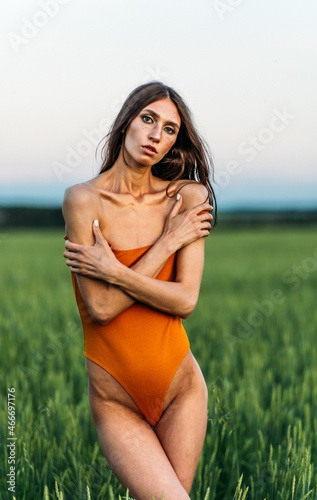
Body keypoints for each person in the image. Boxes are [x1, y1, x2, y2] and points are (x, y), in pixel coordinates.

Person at [62, 81, 217, 500]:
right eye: (148, 119)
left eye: (169, 129)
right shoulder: (82, 201)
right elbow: (102, 307)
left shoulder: (187, 198)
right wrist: (166, 244)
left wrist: (114, 268)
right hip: (116, 402)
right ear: (126, 121)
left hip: (181, 390)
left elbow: (185, 301)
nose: (156, 135)